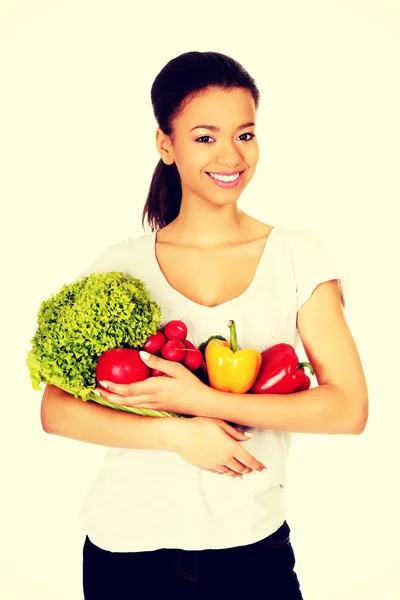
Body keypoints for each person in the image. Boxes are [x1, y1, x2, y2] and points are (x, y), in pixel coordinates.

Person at [41, 51, 368, 599]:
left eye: (245, 134)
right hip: (125, 553)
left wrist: (206, 401)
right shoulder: (121, 265)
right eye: (204, 137)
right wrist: (175, 433)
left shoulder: (296, 255)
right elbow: (56, 409)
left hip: (251, 550)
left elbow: (348, 408)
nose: (231, 155)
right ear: (165, 145)